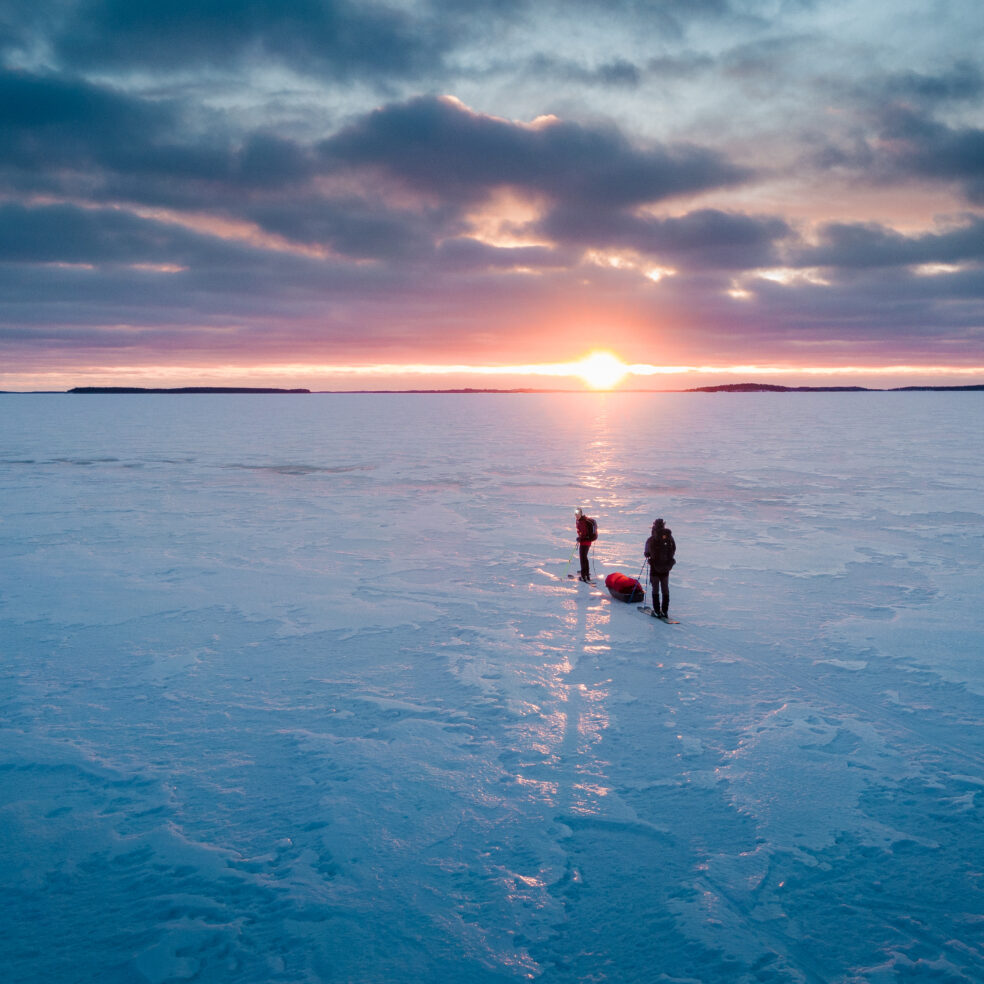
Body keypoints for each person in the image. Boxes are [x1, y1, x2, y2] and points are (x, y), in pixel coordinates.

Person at [644, 518, 676, 618]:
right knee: (665, 589)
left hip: (655, 567)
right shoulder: (669, 537)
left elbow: (646, 552)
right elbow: (674, 548)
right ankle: (665, 611)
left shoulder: (651, 539)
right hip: (666, 567)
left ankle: (657, 611)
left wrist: (649, 555)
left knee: (655, 589)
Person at [575, 507, 597, 581]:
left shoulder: (584, 522)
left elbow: (584, 534)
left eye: (578, 514)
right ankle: (586, 574)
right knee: (584, 557)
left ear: (581, 513)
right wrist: (579, 537)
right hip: (585, 542)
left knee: (583, 558)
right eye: (575, 514)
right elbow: (580, 532)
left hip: (586, 542)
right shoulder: (579, 521)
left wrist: (580, 538)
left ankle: (584, 575)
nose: (576, 515)